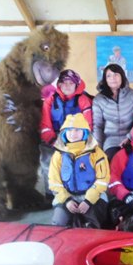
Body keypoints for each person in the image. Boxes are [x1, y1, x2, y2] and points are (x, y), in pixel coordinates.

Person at [49, 113, 110, 228]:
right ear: (64, 133)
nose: (73, 134)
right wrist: (66, 200)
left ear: (85, 132)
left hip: (92, 197)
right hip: (67, 197)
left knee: (92, 226)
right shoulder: (58, 155)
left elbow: (102, 180)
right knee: (58, 224)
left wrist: (88, 201)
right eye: (69, 130)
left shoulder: (97, 153)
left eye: (77, 130)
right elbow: (54, 182)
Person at [39, 69, 93, 198]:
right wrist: (53, 140)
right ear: (59, 85)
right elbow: (45, 125)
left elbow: (88, 125)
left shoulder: (83, 100)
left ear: (76, 84)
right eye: (64, 82)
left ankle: (80, 188)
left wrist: (77, 141)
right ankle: (51, 193)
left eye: (71, 83)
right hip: (55, 137)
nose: (67, 86)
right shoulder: (50, 100)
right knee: (48, 160)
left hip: (77, 138)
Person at [93, 64, 133, 160]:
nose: (113, 78)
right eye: (109, 76)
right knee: (113, 161)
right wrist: (98, 149)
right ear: (105, 79)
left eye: (116, 74)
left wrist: (130, 137)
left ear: (122, 76)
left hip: (132, 137)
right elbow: (98, 126)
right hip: (110, 141)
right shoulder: (99, 99)